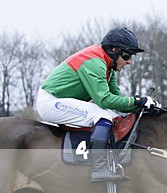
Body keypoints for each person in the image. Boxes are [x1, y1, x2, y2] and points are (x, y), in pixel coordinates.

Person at [35, 27, 160, 182]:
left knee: (114, 117)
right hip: (51, 102)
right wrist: (137, 100)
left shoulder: (108, 66)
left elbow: (117, 100)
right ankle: (99, 168)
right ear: (114, 50)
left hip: (63, 101)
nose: (129, 61)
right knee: (102, 115)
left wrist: (141, 105)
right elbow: (104, 100)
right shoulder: (94, 62)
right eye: (127, 55)